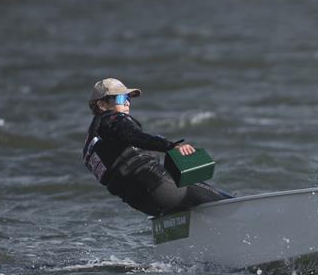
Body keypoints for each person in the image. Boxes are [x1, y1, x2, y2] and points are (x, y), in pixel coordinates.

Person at [83, 77, 231, 217]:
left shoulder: (91, 143)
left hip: (141, 203)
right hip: (158, 186)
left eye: (128, 98)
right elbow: (135, 136)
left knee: (192, 210)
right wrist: (170, 146)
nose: (127, 103)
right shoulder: (114, 119)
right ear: (102, 105)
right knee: (220, 200)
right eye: (122, 98)